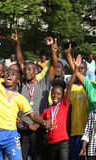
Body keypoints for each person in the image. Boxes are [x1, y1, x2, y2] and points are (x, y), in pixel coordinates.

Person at [13, 29, 58, 160]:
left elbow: (53, 66)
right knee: (20, 157)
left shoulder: (44, 82)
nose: (26, 72)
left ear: (35, 71)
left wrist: (52, 49)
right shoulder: (21, 84)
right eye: (25, 69)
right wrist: (17, 43)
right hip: (21, 126)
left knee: (39, 157)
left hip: (39, 127)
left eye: (29, 69)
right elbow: (20, 60)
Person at [40, 55, 78, 160]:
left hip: (63, 143)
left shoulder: (64, 105)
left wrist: (76, 69)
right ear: (50, 94)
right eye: (54, 93)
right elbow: (37, 124)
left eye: (58, 94)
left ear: (62, 96)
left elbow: (69, 85)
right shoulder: (46, 110)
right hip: (51, 143)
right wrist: (23, 122)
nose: (55, 95)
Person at [65, 43, 89, 160]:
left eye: (82, 68)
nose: (79, 70)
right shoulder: (69, 88)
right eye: (77, 69)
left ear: (87, 69)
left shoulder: (92, 86)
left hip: (90, 133)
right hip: (75, 132)